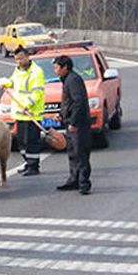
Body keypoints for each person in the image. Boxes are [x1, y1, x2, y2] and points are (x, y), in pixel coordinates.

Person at [0, 45, 45, 176]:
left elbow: (38, 92)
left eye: (21, 58)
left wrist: (28, 105)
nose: (19, 61)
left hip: (31, 113)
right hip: (19, 113)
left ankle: (34, 166)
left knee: (32, 141)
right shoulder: (17, 70)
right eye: (16, 59)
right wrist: (4, 82)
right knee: (22, 142)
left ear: (28, 57)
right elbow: (13, 83)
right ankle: (28, 163)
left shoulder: (36, 71)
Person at [53, 55, 92, 195]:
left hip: (79, 125)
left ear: (65, 67)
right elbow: (68, 103)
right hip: (70, 122)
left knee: (80, 153)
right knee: (73, 153)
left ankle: (84, 183)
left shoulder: (73, 80)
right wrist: (62, 114)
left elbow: (78, 102)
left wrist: (74, 122)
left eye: (57, 67)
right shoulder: (67, 80)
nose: (55, 70)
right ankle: (73, 180)